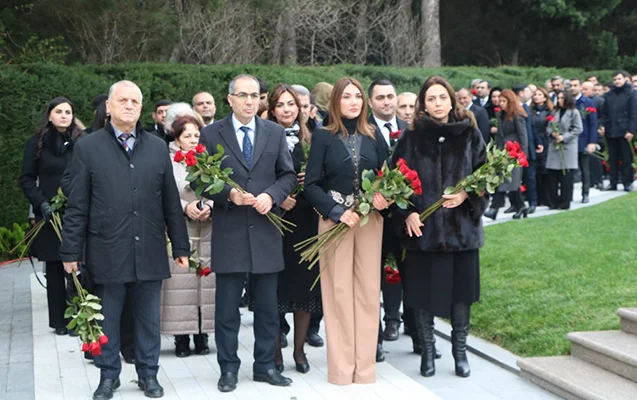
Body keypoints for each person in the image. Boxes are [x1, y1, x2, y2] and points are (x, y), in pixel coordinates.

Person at [60, 80, 190, 400]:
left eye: (135, 101)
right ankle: (108, 376)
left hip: (148, 246)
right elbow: (77, 204)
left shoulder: (157, 147)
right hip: (107, 247)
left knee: (148, 317)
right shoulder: (88, 148)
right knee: (109, 317)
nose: (129, 105)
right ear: (108, 106)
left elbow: (170, 202)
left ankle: (148, 374)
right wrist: (70, 250)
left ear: (141, 108)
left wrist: (181, 246)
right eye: (122, 100)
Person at [197, 74, 297, 393]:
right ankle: (228, 369)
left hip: (266, 231)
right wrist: (228, 194)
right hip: (230, 232)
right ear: (230, 99)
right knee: (227, 310)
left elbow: (288, 175)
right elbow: (199, 179)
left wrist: (272, 195)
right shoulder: (211, 133)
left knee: (267, 308)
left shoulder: (275, 133)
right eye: (243, 95)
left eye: (255, 95)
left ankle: (265, 366)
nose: (251, 101)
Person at [392, 75, 487, 378]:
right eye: (431, 98)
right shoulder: (411, 137)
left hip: (462, 233)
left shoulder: (470, 134)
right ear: (423, 103)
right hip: (424, 233)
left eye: (442, 97)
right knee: (422, 294)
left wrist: (466, 196)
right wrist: (406, 213)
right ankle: (428, 352)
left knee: (461, 294)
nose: (437, 103)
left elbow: (486, 177)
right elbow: (396, 181)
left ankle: (460, 354)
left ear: (452, 99)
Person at [304, 77, 391, 385]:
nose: (354, 101)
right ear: (336, 102)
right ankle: (341, 371)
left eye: (358, 96)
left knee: (368, 293)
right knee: (339, 293)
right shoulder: (324, 136)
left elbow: (388, 177)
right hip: (334, 223)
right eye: (347, 97)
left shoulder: (374, 135)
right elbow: (311, 185)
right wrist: (337, 212)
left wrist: (385, 197)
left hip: (370, 221)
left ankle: (365, 371)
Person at [266, 84, 321, 374]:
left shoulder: (312, 135)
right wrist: (277, 197)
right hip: (274, 222)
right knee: (275, 291)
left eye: (292, 104)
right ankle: (275, 353)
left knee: (303, 290)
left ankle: (299, 352)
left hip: (305, 222)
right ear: (272, 109)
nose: (287, 109)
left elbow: (324, 174)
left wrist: (309, 180)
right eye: (281, 105)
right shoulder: (263, 135)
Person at [19, 97, 85, 336]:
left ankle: (81, 314)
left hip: (77, 210)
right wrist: (41, 203)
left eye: (68, 111)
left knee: (80, 263)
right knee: (56, 266)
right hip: (50, 212)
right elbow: (26, 178)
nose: (64, 116)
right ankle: (60, 320)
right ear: (49, 115)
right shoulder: (36, 144)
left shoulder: (81, 142)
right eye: (59, 111)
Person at [160, 115, 216, 358]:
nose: (193, 140)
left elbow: (219, 186)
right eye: (187, 136)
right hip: (180, 227)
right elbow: (165, 191)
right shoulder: (168, 160)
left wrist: (209, 205)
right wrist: (185, 206)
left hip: (207, 227)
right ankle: (181, 337)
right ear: (177, 138)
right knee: (179, 283)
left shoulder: (208, 158)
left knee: (206, 281)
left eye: (196, 135)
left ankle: (202, 334)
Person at [366, 78, 407, 357]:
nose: (387, 102)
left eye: (390, 96)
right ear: (370, 103)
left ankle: (395, 319)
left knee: (399, 270)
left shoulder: (408, 130)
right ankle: (374, 335)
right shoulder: (363, 132)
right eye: (380, 98)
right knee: (372, 274)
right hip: (371, 213)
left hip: (403, 215)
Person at [484, 90, 528, 220]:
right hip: (504, 152)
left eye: (504, 101)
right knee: (508, 182)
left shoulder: (517, 116)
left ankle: (494, 209)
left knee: (508, 182)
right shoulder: (501, 115)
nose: (501, 103)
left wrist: (521, 155)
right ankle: (521, 207)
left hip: (514, 152)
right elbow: (500, 137)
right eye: (500, 101)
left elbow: (522, 137)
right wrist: (496, 152)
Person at [599, 70, 637, 192]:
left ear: (625, 79)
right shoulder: (609, 95)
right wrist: (603, 126)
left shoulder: (631, 93)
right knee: (612, 158)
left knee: (626, 158)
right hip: (611, 130)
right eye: (615, 79)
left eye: (619, 79)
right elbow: (604, 113)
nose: (617, 81)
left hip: (625, 130)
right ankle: (613, 182)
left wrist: (631, 131)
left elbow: (634, 114)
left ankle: (627, 182)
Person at [546, 91, 583, 209]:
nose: (560, 100)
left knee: (566, 177)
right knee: (552, 176)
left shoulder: (574, 112)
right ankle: (553, 202)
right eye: (558, 98)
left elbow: (578, 128)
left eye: (562, 98)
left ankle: (565, 202)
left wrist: (564, 137)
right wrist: (552, 134)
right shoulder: (554, 112)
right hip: (554, 146)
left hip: (568, 147)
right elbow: (548, 127)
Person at [512, 84, 543, 214]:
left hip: (529, 149)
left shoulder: (526, 108)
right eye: (527, 91)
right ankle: (518, 204)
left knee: (530, 177)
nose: (530, 94)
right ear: (520, 93)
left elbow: (531, 127)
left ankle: (532, 202)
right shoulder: (513, 109)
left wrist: (538, 142)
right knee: (516, 179)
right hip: (517, 149)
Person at [569, 78, 598, 203]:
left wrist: (592, 142)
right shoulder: (568, 102)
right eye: (571, 85)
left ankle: (585, 193)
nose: (572, 87)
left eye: (575, 85)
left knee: (584, 168)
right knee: (570, 169)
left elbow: (592, 123)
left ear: (581, 87)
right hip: (570, 140)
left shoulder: (587, 102)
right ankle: (568, 194)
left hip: (583, 139)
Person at [530, 88, 554, 206]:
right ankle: (538, 197)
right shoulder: (530, 111)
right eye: (535, 94)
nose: (536, 97)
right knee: (536, 170)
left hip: (546, 141)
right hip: (534, 141)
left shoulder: (549, 111)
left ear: (545, 97)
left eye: (539, 95)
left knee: (546, 169)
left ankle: (547, 197)